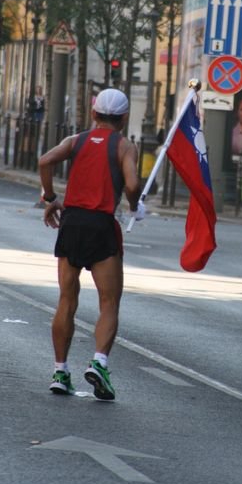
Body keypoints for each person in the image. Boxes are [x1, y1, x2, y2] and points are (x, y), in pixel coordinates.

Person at [38, 88, 144, 399]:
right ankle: (99, 363)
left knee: (66, 301)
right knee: (109, 302)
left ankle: (60, 371)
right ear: (123, 118)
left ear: (94, 114)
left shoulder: (76, 141)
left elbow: (45, 161)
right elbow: (133, 183)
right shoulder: (125, 146)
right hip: (101, 226)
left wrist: (50, 198)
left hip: (71, 223)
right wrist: (135, 204)